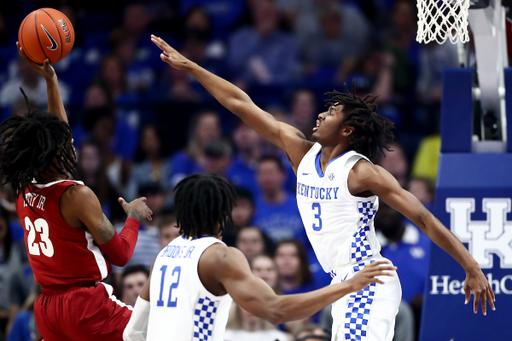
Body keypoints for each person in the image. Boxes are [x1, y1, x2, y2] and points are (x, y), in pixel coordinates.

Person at [151, 35, 495, 341]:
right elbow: (241, 104)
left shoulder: (363, 173)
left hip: (366, 279)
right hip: (340, 282)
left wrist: (471, 266)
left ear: (347, 130)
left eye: (331, 113)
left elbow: (421, 217)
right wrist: (193, 68)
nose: (320, 115)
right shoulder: (300, 152)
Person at [123, 173, 396, 341]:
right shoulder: (219, 256)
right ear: (223, 214)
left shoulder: (163, 256)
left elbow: (132, 333)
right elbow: (276, 310)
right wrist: (347, 286)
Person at [0, 44, 153, 341]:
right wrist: (132, 217)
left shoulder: (24, 192)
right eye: (65, 147)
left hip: (46, 310)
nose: (72, 146)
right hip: (85, 307)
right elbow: (120, 255)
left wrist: (51, 81)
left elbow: (58, 131)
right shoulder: (75, 196)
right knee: (160, 330)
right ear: (52, 156)